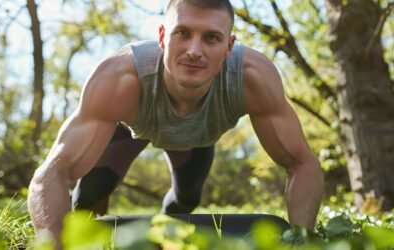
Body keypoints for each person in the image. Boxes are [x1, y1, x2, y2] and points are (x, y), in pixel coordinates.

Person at [28, 0, 324, 243]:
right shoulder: (119, 78)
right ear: (161, 37)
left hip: (197, 139)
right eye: (182, 33)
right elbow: (52, 173)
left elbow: (302, 163)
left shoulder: (252, 78)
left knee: (185, 201)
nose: (194, 51)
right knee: (88, 198)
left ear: (229, 46)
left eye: (211, 37)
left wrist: (302, 241)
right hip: (128, 130)